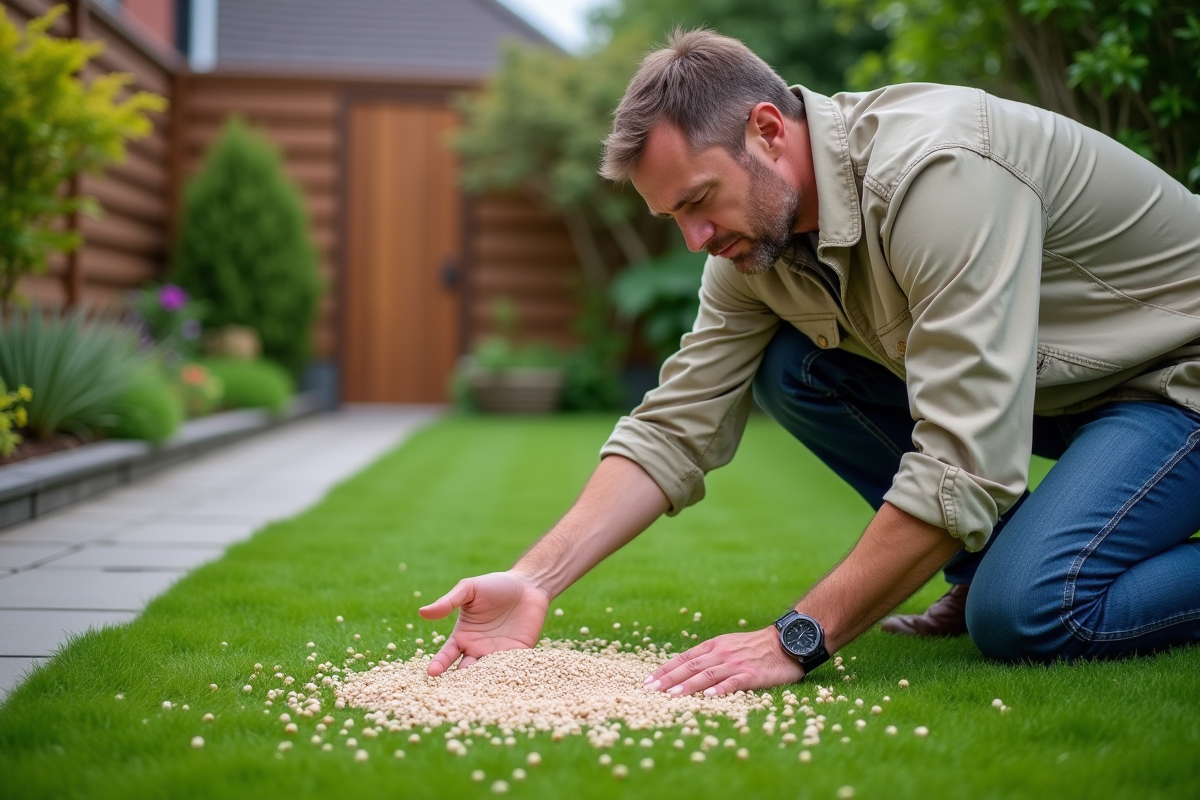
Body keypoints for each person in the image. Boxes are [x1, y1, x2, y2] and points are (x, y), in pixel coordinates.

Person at [420, 29, 1200, 696]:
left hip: (1173, 382)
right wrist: (535, 578)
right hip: (1068, 393)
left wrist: (799, 635)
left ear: (766, 130)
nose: (694, 240)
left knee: (1029, 612)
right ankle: (985, 564)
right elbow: (674, 425)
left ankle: (1002, 577)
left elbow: (968, 457)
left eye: (698, 201)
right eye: (674, 218)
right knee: (793, 366)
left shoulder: (939, 174)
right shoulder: (754, 249)